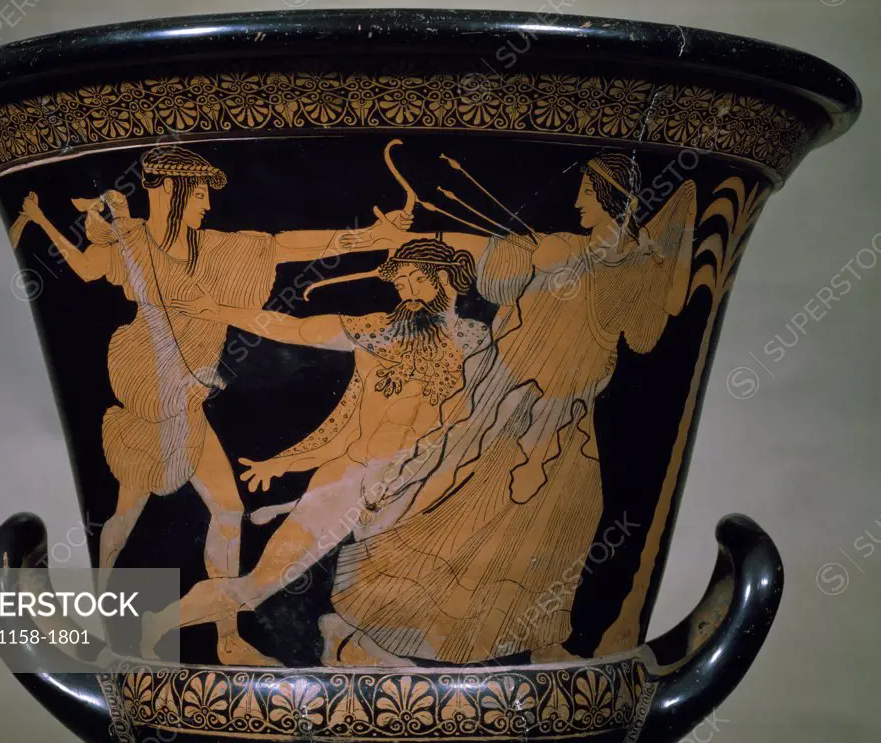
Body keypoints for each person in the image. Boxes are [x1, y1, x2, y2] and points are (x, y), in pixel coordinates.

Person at [289, 152, 698, 664]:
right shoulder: (558, 248)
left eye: (587, 193)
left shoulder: (625, 270)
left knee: (569, 518)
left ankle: (541, 641)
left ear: (608, 198)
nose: (576, 200)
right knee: (473, 514)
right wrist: (433, 242)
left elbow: (643, 335)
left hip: (570, 414)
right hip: (515, 405)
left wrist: (646, 268)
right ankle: (390, 629)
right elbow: (491, 258)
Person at [13, 145, 408, 665]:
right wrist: (71, 221)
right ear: (169, 191)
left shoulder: (218, 249)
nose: (205, 204)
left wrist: (370, 239)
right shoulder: (132, 241)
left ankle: (226, 639)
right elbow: (95, 272)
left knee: (226, 510)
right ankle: (108, 618)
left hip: (190, 399)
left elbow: (284, 246)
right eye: (196, 193)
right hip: (151, 394)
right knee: (127, 512)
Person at [140, 237, 488, 663]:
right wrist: (217, 312)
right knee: (260, 585)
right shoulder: (378, 329)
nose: (408, 292)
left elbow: (469, 423)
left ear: (447, 280)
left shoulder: (476, 341)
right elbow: (298, 332)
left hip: (414, 493)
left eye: (418, 280)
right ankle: (153, 625)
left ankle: (349, 647)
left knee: (422, 587)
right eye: (401, 284)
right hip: (350, 484)